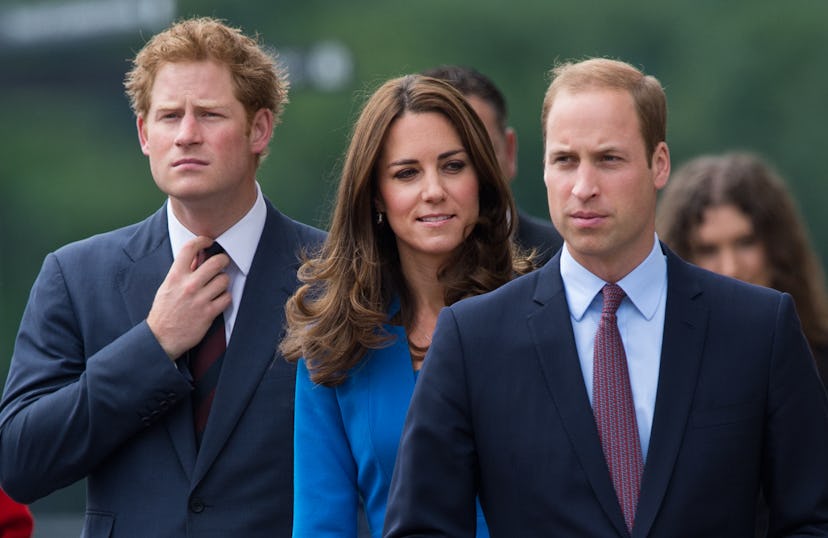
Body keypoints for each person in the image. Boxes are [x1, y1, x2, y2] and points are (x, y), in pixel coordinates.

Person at [384, 58, 828, 537]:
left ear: (660, 163)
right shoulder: (473, 339)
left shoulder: (758, 327)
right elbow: (422, 527)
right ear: (544, 169)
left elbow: (813, 519)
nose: (584, 187)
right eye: (565, 160)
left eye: (608, 159)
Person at [0, 17, 323, 537]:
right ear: (145, 134)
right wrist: (152, 346)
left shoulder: (336, 274)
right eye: (170, 116)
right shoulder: (74, 275)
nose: (187, 135)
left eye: (210, 114)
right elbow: (19, 462)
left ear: (259, 129)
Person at [281, 74, 531, 538]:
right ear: (376, 193)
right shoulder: (335, 343)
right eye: (407, 173)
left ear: (482, 178)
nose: (433, 190)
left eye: (453, 166)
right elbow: (320, 524)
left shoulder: (541, 320)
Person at [657, 151, 828, 387]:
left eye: (745, 243)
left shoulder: (820, 361)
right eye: (708, 250)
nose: (731, 269)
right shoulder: (658, 373)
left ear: (778, 248)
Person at [422, 65, 563, 265]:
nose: (467, 179)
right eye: (451, 164)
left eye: (482, 154)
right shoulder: (373, 279)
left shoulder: (567, 259)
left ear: (510, 151)